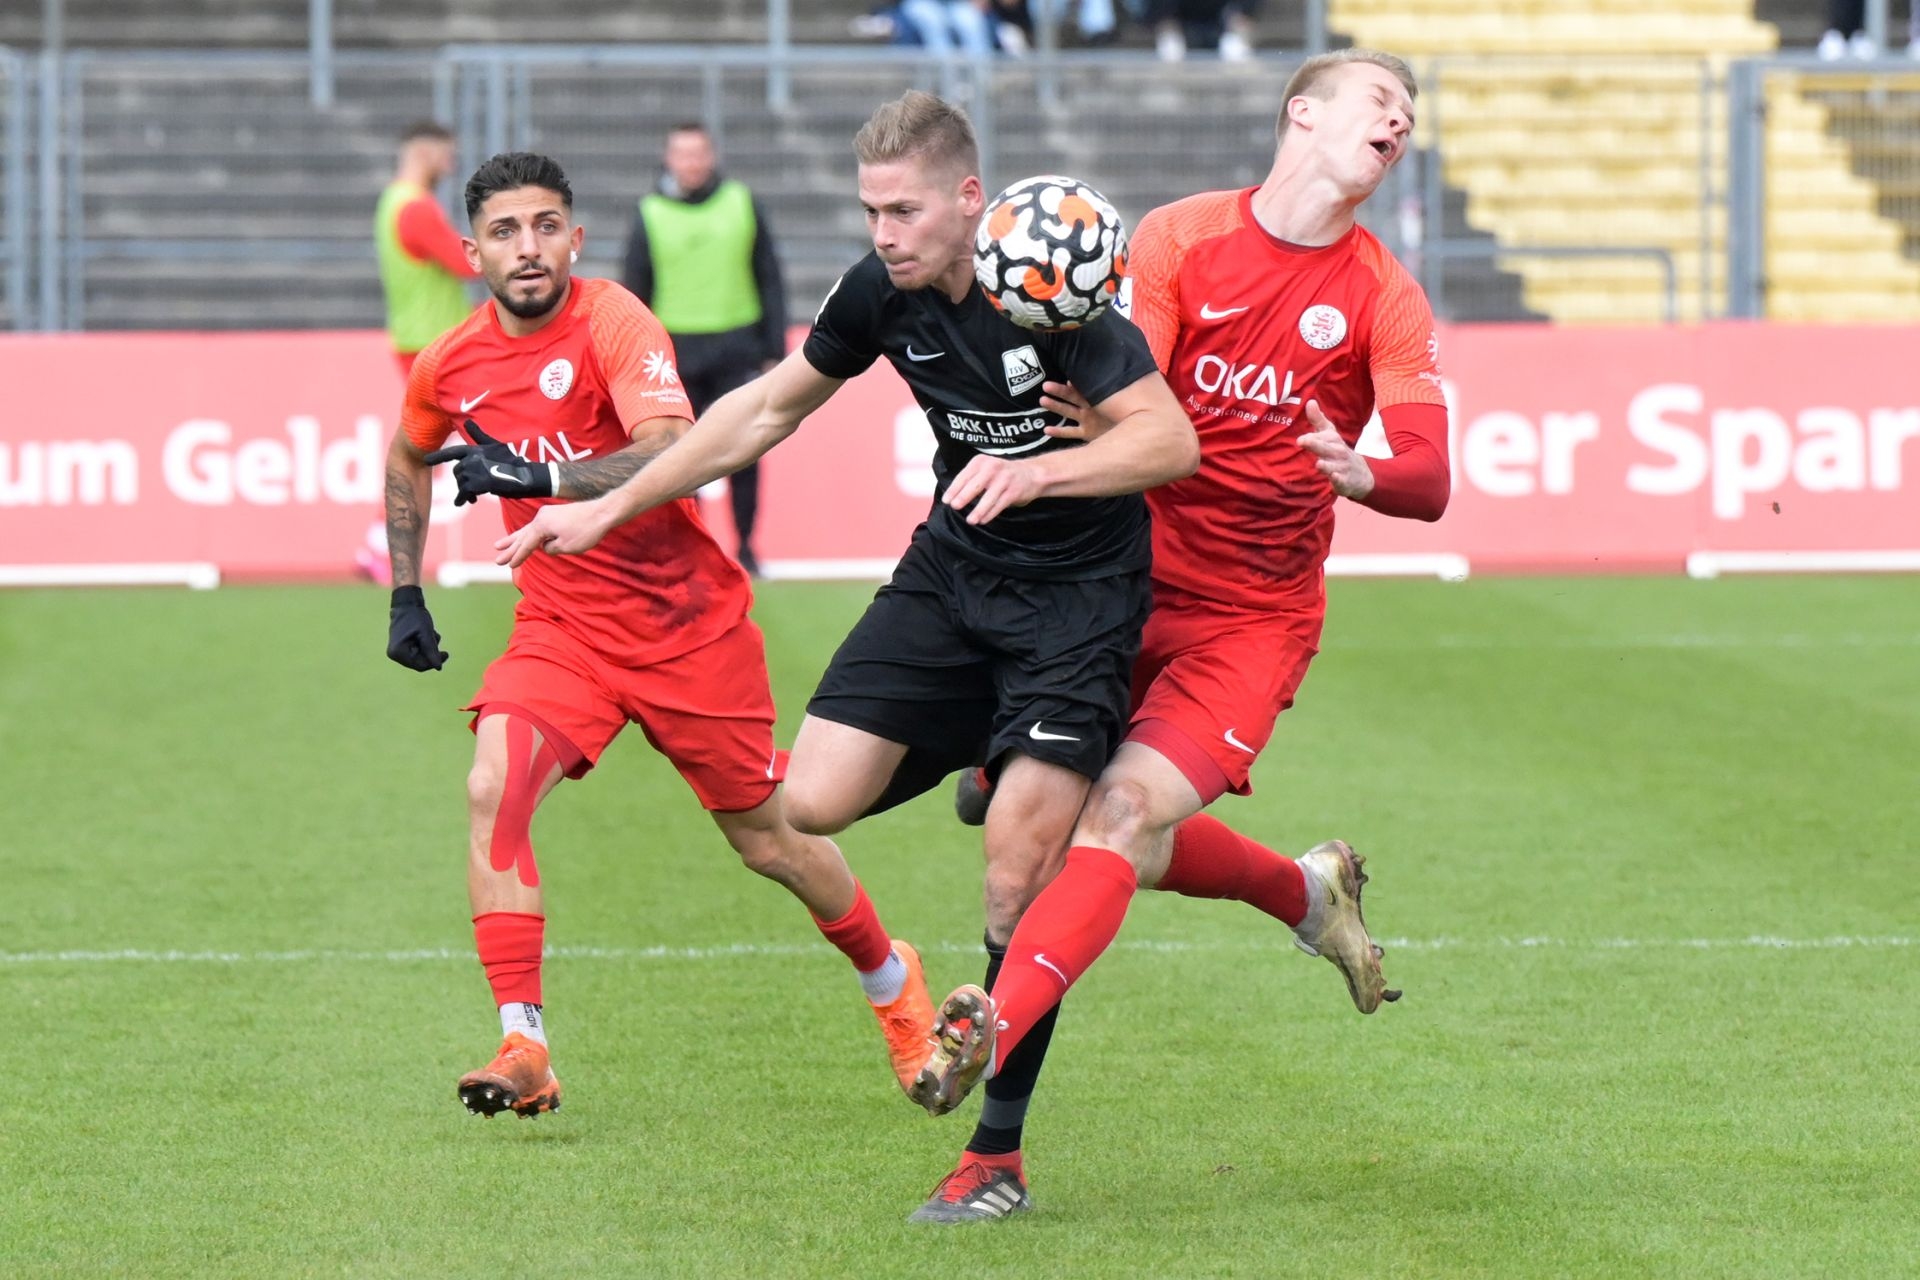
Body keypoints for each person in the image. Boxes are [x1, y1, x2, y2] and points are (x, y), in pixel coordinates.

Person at [489, 93, 1199, 1216]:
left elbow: (1172, 437)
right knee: (807, 801)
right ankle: (1002, 750)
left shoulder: (1055, 287)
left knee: (1017, 866)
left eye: (904, 209)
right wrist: (611, 501)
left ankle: (994, 1158)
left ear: (970, 200)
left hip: (1077, 604)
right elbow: (765, 409)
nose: (883, 232)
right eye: (871, 209)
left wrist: (1040, 470)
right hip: (954, 579)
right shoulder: (879, 292)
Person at [912, 47, 1450, 1219]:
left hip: (1252, 618)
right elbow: (1130, 388)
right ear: (1300, 113)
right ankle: (1303, 894)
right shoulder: (1175, 239)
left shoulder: (1385, 293)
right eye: (1379, 100)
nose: (1401, 118)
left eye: (1411, 112)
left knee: (1105, 821)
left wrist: (1367, 472)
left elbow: (1432, 478)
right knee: (1100, 840)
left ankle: (991, 1118)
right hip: (1119, 582)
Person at [381, 151, 934, 1119]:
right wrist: (405, 590)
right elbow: (409, 452)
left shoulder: (611, 319)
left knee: (773, 840)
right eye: (506, 231)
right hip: (562, 625)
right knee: (493, 784)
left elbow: (670, 446)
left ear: (576, 237)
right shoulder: (452, 358)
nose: (528, 247)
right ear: (472, 251)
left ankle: (893, 982)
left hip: (686, 626)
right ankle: (525, 1041)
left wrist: (541, 477)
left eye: (547, 224)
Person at [622, 123, 787, 578]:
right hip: (674, 354)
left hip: (737, 346)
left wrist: (773, 347)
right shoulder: (650, 211)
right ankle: (693, 549)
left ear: (711, 156)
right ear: (668, 158)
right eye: (683, 154)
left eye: (699, 153)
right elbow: (635, 291)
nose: (692, 163)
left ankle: (747, 548)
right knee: (679, 459)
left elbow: (769, 275)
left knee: (746, 452)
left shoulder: (741, 202)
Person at [374, 122, 478, 378]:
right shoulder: (417, 208)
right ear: (422, 153)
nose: (450, 167)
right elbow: (467, 263)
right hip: (435, 343)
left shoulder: (391, 200)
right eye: (445, 157)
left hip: (413, 337)